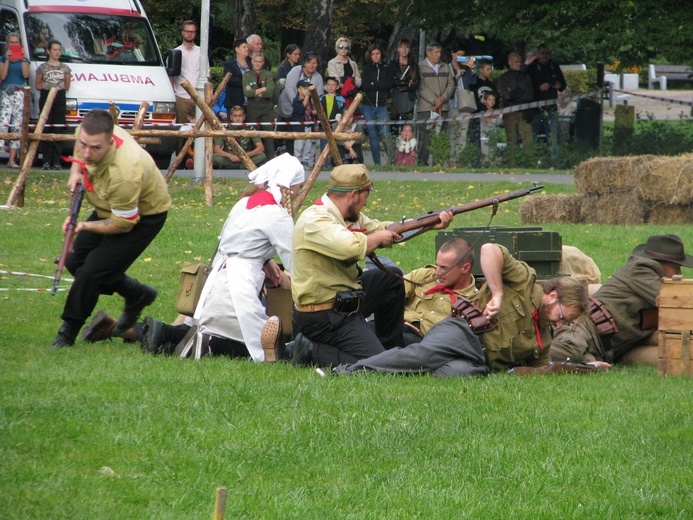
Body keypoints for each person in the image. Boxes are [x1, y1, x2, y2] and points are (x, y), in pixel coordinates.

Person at [84, 155, 305, 362]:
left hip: (218, 279)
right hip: (241, 288)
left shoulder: (243, 204)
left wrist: (265, 260)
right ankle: (163, 334)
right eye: (299, 187)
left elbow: (235, 242)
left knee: (199, 327)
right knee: (263, 348)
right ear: (291, 186)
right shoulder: (278, 216)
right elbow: (296, 264)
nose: (299, 192)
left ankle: (143, 331)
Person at [333, 242, 589, 377]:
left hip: (479, 361)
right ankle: (348, 371)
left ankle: (385, 370)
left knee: (452, 375)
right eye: (562, 316)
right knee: (422, 356)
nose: (560, 325)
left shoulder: (544, 339)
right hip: (462, 331)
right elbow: (489, 249)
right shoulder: (524, 282)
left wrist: (586, 365)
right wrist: (498, 293)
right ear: (552, 296)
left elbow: (544, 369)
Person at [289, 164, 454, 367]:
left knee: (390, 277)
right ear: (353, 195)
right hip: (323, 316)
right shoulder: (314, 220)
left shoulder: (343, 216)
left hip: (347, 301)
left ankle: (391, 347)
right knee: (377, 366)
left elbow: (384, 229)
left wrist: (427, 225)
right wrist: (377, 237)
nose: (365, 203)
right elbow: (350, 246)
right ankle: (309, 348)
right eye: (365, 197)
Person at [50, 109, 171, 349]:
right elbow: (79, 148)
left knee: (91, 272)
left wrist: (82, 225)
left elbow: (123, 223)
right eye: (84, 145)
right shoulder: (88, 133)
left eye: (95, 148)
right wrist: (75, 171)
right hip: (109, 206)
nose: (86, 152)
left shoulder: (125, 172)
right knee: (74, 261)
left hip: (143, 216)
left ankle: (67, 332)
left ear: (110, 142)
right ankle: (136, 293)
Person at [551, 234, 693, 367]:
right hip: (584, 330)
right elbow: (675, 301)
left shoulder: (649, 275)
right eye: (676, 268)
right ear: (661, 263)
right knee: (567, 353)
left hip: (604, 345)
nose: (679, 274)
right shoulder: (641, 269)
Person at [402, 238, 477, 344]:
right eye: (437, 265)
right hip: (394, 326)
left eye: (444, 268)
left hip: (421, 344)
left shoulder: (472, 302)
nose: (437, 272)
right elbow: (391, 292)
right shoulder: (425, 276)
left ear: (465, 268)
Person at [277, 52, 323, 156]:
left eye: (314, 63)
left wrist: (312, 106)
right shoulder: (295, 71)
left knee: (306, 139)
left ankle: (306, 161)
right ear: (304, 63)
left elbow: (318, 96)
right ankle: (289, 157)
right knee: (291, 135)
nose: (311, 65)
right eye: (309, 62)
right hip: (290, 107)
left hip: (308, 112)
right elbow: (289, 88)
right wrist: (297, 103)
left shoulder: (318, 77)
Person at [35, 39, 71, 170]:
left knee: (58, 127)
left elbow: (67, 85)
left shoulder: (65, 68)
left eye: (59, 50)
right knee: (46, 126)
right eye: (54, 50)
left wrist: (57, 87)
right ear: (48, 51)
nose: (57, 52)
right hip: (45, 96)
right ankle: (46, 160)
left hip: (60, 97)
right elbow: (37, 85)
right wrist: (48, 86)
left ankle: (57, 161)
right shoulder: (42, 68)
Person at [416, 42, 454, 166]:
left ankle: (439, 163)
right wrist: (434, 100)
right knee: (425, 138)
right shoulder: (420, 67)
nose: (439, 55)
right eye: (436, 52)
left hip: (443, 108)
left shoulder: (445, 66)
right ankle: (422, 163)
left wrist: (442, 98)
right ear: (428, 53)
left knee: (441, 136)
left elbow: (451, 84)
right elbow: (421, 86)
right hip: (426, 108)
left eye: (440, 52)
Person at [525, 43, 566, 153]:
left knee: (553, 136)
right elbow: (526, 86)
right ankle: (531, 160)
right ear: (538, 54)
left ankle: (555, 162)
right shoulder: (532, 68)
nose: (545, 55)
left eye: (547, 53)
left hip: (551, 107)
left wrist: (559, 85)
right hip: (535, 109)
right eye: (542, 53)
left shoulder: (554, 66)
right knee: (532, 136)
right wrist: (538, 88)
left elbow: (563, 84)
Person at [361, 43, 395, 166]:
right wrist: (379, 84)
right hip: (368, 105)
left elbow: (389, 84)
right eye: (373, 54)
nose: (375, 56)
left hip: (383, 105)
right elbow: (365, 86)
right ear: (370, 56)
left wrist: (375, 83)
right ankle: (377, 163)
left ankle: (392, 162)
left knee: (386, 133)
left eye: (378, 53)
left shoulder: (387, 67)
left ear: (381, 54)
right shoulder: (366, 69)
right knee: (373, 135)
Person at [497, 52, 534, 161]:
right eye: (516, 62)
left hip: (525, 112)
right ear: (509, 62)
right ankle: (511, 163)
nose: (518, 64)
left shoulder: (526, 77)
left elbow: (530, 94)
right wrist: (521, 91)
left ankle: (529, 162)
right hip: (510, 113)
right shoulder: (503, 78)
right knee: (511, 139)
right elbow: (507, 95)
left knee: (528, 139)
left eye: (520, 62)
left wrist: (514, 92)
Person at [170, 21, 209, 125]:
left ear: (195, 34)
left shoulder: (201, 52)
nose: (189, 34)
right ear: (182, 33)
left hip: (198, 96)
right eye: (187, 31)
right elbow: (171, 76)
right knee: (181, 129)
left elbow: (207, 74)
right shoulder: (175, 52)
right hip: (181, 96)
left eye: (192, 31)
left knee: (200, 127)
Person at [0, 33, 30, 169]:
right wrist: (7, 59)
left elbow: (25, 75)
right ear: (8, 44)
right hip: (7, 92)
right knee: (3, 123)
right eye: (11, 42)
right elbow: (3, 76)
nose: (14, 44)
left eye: (16, 42)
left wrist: (22, 58)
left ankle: (12, 159)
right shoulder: (2, 58)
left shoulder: (25, 60)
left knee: (17, 125)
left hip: (20, 92)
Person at [243, 51, 275, 159]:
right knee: (253, 135)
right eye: (255, 61)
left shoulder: (268, 74)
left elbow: (270, 93)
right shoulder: (247, 75)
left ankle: (270, 160)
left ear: (263, 62)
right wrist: (262, 89)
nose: (257, 64)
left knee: (268, 135)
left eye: (260, 62)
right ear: (251, 61)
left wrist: (254, 91)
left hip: (267, 108)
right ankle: (255, 160)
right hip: (253, 108)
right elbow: (247, 93)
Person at [448, 43, 476, 165]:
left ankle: (460, 159)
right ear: (452, 54)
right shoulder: (447, 67)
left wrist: (472, 68)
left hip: (465, 103)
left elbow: (473, 82)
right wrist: (457, 75)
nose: (460, 57)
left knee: (463, 133)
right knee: (452, 131)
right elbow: (446, 83)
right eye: (458, 55)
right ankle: (451, 159)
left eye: (463, 55)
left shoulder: (467, 68)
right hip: (452, 103)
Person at [468, 59, 497, 161]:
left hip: (490, 115)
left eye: (490, 69)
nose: (489, 71)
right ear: (480, 70)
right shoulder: (474, 84)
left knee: (489, 138)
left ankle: (489, 159)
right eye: (487, 69)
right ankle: (476, 161)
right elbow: (474, 98)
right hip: (477, 114)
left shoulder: (492, 85)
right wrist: (484, 109)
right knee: (475, 139)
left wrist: (493, 111)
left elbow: (495, 99)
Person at [389, 38, 420, 125]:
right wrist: (406, 83)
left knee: (407, 125)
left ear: (409, 50)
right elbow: (390, 81)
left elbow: (416, 83)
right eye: (402, 47)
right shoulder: (392, 64)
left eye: (406, 47)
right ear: (398, 49)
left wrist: (403, 84)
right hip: (394, 97)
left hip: (408, 98)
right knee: (393, 125)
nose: (404, 50)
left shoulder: (414, 65)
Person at [326, 37, 361, 107]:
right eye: (341, 47)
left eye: (346, 47)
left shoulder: (353, 63)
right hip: (338, 94)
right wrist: (349, 83)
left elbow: (358, 83)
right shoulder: (332, 63)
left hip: (352, 95)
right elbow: (335, 80)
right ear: (337, 48)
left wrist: (353, 82)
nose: (343, 49)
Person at [290, 80, 317, 170]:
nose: (307, 91)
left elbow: (313, 113)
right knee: (299, 146)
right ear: (299, 90)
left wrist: (314, 110)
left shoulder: (310, 100)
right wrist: (305, 100)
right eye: (305, 89)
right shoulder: (296, 100)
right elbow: (300, 110)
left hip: (309, 126)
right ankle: (297, 163)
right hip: (299, 127)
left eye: (308, 89)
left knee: (308, 146)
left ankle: (306, 162)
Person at [223, 38, 252, 118]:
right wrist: (245, 83)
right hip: (234, 101)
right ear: (237, 49)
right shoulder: (229, 65)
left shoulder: (252, 63)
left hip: (250, 103)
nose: (247, 49)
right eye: (244, 47)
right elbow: (229, 80)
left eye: (247, 47)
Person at [479, 92, 502, 160]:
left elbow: (500, 122)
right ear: (485, 100)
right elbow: (486, 122)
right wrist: (494, 120)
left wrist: (492, 120)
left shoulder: (496, 111)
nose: (492, 101)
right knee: (485, 157)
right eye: (489, 99)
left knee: (493, 156)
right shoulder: (482, 112)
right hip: (484, 138)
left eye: (493, 99)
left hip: (494, 137)